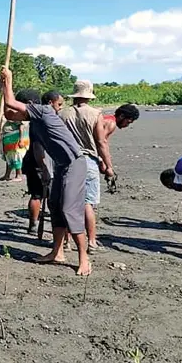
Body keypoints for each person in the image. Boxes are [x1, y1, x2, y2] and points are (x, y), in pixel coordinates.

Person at [0, 67, 91, 276]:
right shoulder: (35, 123)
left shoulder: (44, 111)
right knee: (55, 207)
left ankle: (84, 258)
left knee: (69, 209)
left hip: (75, 164)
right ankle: (57, 252)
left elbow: (12, 104)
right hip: (60, 167)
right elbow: (8, 111)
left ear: (30, 106)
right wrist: (2, 88)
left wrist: (9, 80)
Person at [59, 80, 115, 254]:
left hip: (67, 160)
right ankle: (91, 242)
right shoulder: (95, 114)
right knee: (87, 203)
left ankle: (67, 242)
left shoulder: (62, 113)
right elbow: (101, 142)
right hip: (88, 160)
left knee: (68, 202)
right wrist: (108, 165)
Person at [22, 90, 61, 234]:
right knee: (42, 195)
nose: (60, 107)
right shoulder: (41, 119)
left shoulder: (37, 118)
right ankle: (35, 224)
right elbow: (38, 145)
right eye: (59, 104)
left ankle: (33, 224)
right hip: (40, 160)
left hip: (35, 160)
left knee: (36, 194)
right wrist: (44, 167)